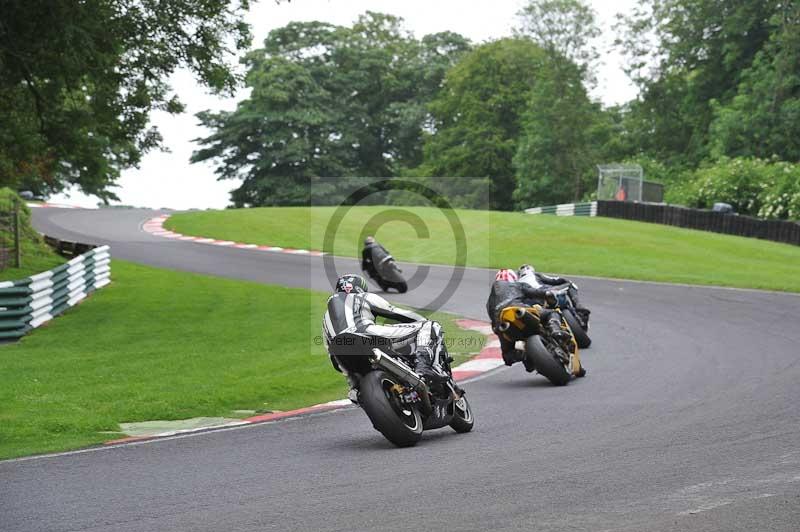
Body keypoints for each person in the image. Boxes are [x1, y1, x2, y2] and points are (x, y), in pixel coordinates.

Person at [322, 274, 447, 401]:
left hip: (341, 355)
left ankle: (356, 389)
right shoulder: (362, 296)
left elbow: (331, 354)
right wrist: (422, 320)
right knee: (430, 326)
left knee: (357, 389)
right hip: (367, 334)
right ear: (360, 287)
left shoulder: (326, 317)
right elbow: (397, 313)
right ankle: (424, 368)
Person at [485, 269, 572, 367]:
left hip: (503, 323)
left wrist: (499, 330)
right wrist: (549, 295)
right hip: (519, 309)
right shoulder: (517, 285)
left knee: (507, 356)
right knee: (552, 313)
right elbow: (539, 293)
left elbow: (494, 325)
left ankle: (526, 357)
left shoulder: (489, 302)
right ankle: (555, 330)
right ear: (513, 279)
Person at [517, 264, 590, 322]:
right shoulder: (535, 275)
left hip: (534, 304)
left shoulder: (516, 284)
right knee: (570, 285)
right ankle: (578, 306)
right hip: (547, 292)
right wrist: (565, 281)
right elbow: (555, 280)